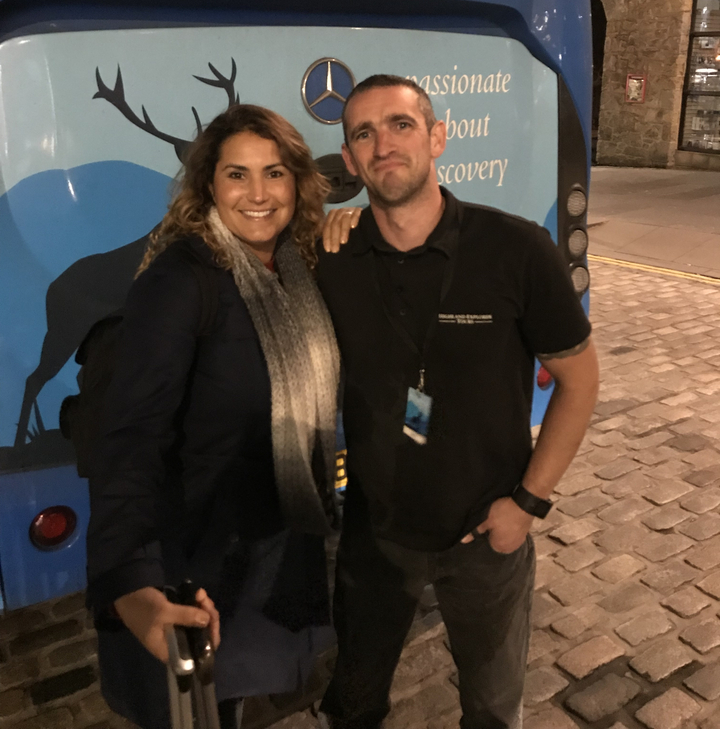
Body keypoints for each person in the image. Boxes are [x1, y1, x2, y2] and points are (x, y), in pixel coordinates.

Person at [316, 75, 600, 729]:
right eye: (364, 134)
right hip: (375, 533)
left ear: (437, 137)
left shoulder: (516, 248)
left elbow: (581, 381)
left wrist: (527, 505)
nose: (384, 145)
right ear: (351, 160)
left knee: (492, 709)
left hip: (486, 532)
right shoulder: (331, 255)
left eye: (401, 125)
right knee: (354, 705)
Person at [86, 104, 340, 729]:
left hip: (273, 546)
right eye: (237, 174)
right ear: (208, 186)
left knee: (241, 701)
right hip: (199, 562)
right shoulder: (183, 281)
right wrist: (132, 583)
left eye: (274, 173)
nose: (258, 194)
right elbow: (131, 436)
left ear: (298, 182)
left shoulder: (295, 268)